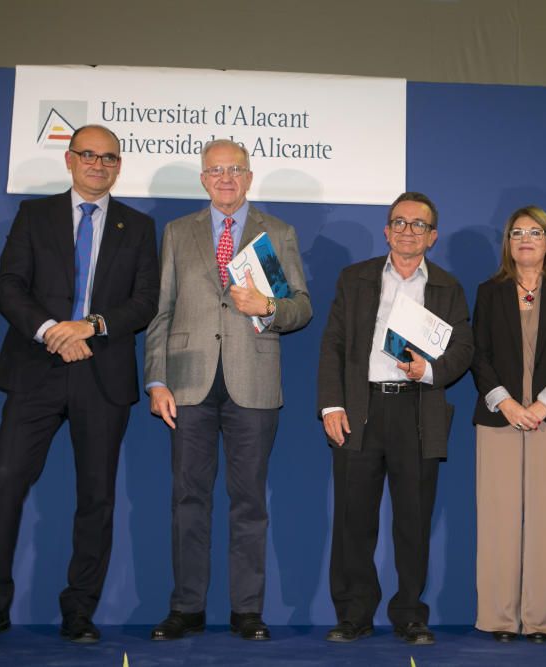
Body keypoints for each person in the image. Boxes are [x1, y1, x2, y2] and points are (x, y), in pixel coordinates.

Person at [0, 125, 160, 646]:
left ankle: (79, 611)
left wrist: (89, 326)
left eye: (109, 157)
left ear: (119, 165)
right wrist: (52, 332)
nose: (99, 164)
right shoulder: (33, 216)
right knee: (4, 485)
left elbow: (145, 301)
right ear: (69, 160)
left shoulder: (137, 226)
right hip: (35, 370)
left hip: (102, 373)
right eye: (89, 155)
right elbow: (8, 287)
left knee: (97, 498)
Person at [144, 139, 312, 642]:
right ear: (202, 179)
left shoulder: (278, 233)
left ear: (249, 175)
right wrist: (155, 379)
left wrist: (267, 306)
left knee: (249, 503)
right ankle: (187, 608)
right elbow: (161, 311)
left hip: (253, 384)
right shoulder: (177, 232)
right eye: (215, 170)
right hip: (187, 384)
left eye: (234, 169)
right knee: (188, 499)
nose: (225, 178)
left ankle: (247, 612)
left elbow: (301, 307)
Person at [317, 191, 473, 645]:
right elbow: (333, 344)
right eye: (399, 223)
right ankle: (353, 614)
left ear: (433, 236)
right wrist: (332, 404)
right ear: (386, 231)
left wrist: (432, 370)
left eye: (418, 225)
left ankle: (409, 613)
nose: (408, 231)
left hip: (417, 409)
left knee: (414, 519)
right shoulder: (356, 278)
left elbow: (464, 348)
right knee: (353, 519)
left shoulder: (447, 286)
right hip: (360, 409)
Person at [470, 206, 546, 644]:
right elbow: (477, 354)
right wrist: (506, 404)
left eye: (534, 232)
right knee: (497, 519)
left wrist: (541, 406)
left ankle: (540, 621)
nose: (525, 239)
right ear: (508, 243)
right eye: (516, 232)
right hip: (498, 419)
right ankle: (500, 619)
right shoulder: (489, 292)